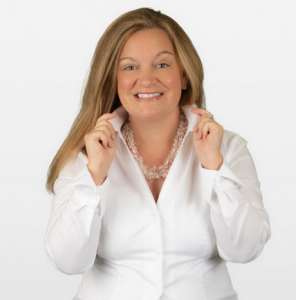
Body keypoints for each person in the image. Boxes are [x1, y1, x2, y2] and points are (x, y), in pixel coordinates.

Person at [44, 7, 271, 300]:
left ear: (185, 75)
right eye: (129, 67)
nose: (147, 79)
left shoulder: (228, 148)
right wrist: (93, 178)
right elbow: (67, 261)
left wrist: (214, 169)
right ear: (113, 79)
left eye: (162, 65)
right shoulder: (87, 154)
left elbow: (245, 249)